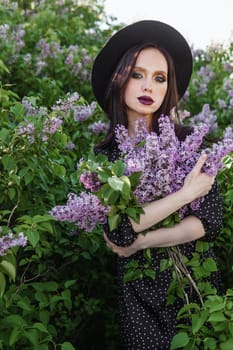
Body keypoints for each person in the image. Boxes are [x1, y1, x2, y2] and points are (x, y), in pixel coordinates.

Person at [91, 20, 222, 349]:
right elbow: (119, 229)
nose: (148, 86)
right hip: (140, 292)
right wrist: (186, 194)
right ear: (119, 79)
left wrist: (142, 241)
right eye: (137, 74)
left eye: (159, 78)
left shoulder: (189, 143)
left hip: (195, 282)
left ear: (168, 88)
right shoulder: (106, 158)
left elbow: (207, 221)